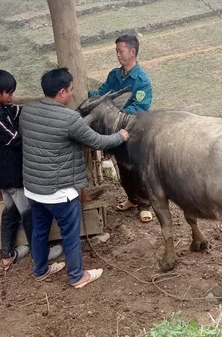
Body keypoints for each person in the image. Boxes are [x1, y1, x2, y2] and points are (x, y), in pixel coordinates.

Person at [19, 68, 129, 288]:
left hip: (33, 188)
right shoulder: (69, 119)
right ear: (61, 92)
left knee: (40, 230)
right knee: (70, 234)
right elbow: (98, 141)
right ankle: (77, 276)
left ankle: (40, 270)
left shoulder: (27, 112)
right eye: (70, 89)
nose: (71, 93)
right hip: (59, 192)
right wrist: (121, 135)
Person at [0, 70, 63, 272]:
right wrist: (40, 137)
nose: (12, 96)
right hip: (9, 171)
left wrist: (41, 109)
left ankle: (7, 256)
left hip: (6, 170)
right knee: (28, 211)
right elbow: (15, 139)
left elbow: (19, 111)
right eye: (8, 93)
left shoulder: (2, 107)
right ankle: (40, 254)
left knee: (10, 211)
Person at [89, 34, 154, 223]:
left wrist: (112, 110)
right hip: (115, 131)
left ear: (133, 52)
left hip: (134, 131)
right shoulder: (114, 75)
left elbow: (140, 108)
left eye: (121, 51)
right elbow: (102, 93)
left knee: (137, 168)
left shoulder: (141, 80)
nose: (118, 55)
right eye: (116, 51)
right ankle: (132, 199)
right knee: (123, 168)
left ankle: (145, 204)